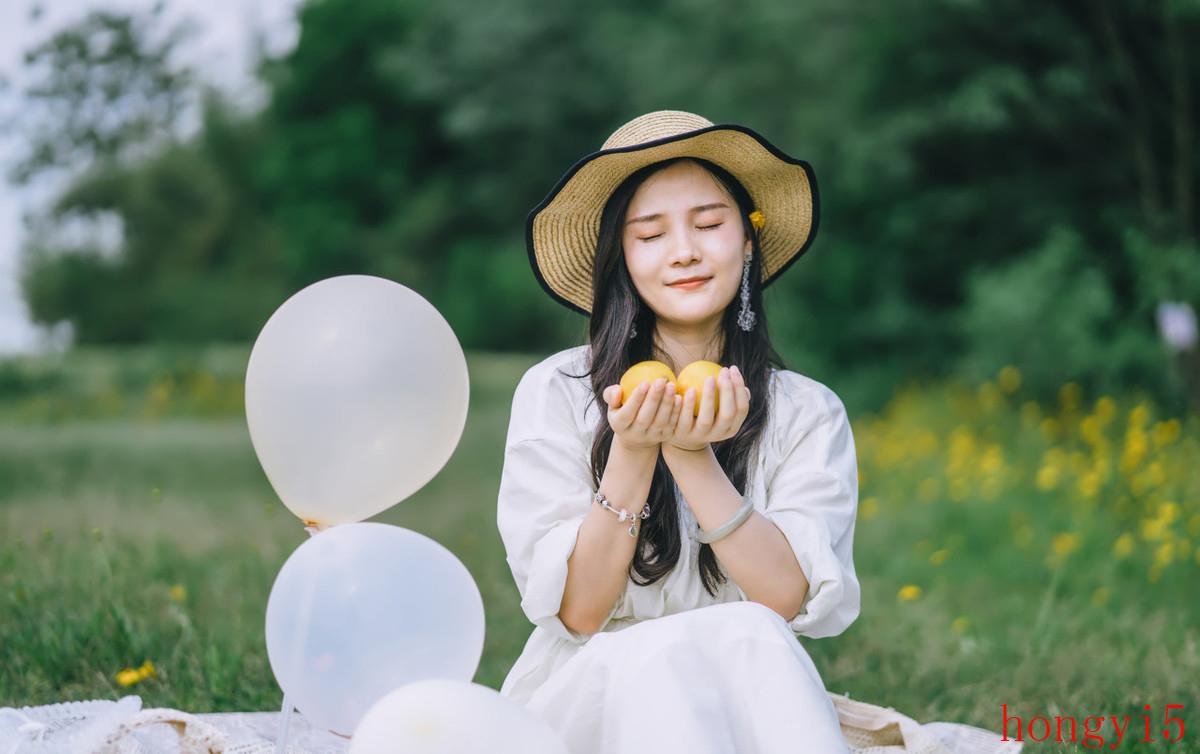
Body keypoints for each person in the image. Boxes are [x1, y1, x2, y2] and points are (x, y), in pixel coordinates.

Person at [495, 110, 860, 753]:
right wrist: (633, 451)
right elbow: (580, 613)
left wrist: (693, 458)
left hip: (744, 690)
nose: (685, 251)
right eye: (650, 234)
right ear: (621, 259)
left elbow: (783, 602)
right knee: (660, 658)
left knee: (751, 631)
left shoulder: (807, 411)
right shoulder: (557, 393)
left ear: (747, 243)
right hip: (594, 696)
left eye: (710, 224)